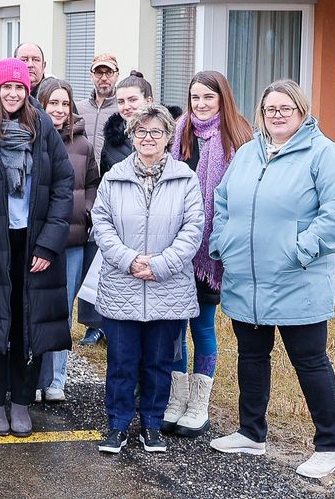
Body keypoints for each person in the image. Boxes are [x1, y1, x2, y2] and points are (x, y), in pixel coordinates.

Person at [208, 80, 335, 480]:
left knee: (310, 362)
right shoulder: (250, 152)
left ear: (301, 111)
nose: (276, 115)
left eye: (285, 108)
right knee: (252, 357)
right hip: (247, 279)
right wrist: (223, 242)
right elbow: (222, 200)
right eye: (269, 108)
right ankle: (251, 433)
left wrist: (300, 250)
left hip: (297, 279)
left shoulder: (324, 154)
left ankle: (330, 446)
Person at [0, 58, 73, 439]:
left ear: (27, 92)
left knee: (28, 326)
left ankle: (21, 401)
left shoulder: (43, 131)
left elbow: (62, 188)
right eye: (6, 87)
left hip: (33, 245)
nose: (13, 93)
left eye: (19, 88)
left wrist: (49, 245)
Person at [90, 104, 204, 454]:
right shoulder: (114, 177)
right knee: (122, 362)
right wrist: (131, 260)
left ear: (169, 137)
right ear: (132, 135)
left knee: (158, 363)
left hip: (167, 287)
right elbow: (102, 225)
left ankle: (152, 424)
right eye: (141, 131)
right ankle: (118, 425)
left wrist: (161, 265)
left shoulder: (185, 178)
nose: (148, 138)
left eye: (156, 132)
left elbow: (193, 228)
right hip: (122, 284)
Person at [163, 70, 252, 438]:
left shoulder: (239, 139)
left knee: (201, 325)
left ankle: (199, 404)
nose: (200, 104)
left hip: (208, 254)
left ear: (222, 99)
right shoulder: (177, 133)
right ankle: (176, 398)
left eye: (208, 98)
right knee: (172, 327)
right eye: (195, 97)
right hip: (172, 246)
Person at [34, 79, 100, 403]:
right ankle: (34, 376)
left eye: (65, 104)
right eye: (53, 104)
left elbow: (93, 184)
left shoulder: (83, 145)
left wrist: (86, 212)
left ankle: (56, 379)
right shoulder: (32, 138)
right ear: (41, 105)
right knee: (36, 308)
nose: (59, 110)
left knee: (62, 310)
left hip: (73, 240)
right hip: (38, 240)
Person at [101, 71, 171, 174]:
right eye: (121, 102)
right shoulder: (111, 140)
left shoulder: (170, 136)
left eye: (132, 100)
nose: (126, 107)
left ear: (149, 101)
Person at [78, 53, 120, 163]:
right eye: (98, 73)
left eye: (109, 72)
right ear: (91, 75)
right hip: (86, 176)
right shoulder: (78, 109)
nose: (104, 78)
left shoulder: (123, 109)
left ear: (117, 75)